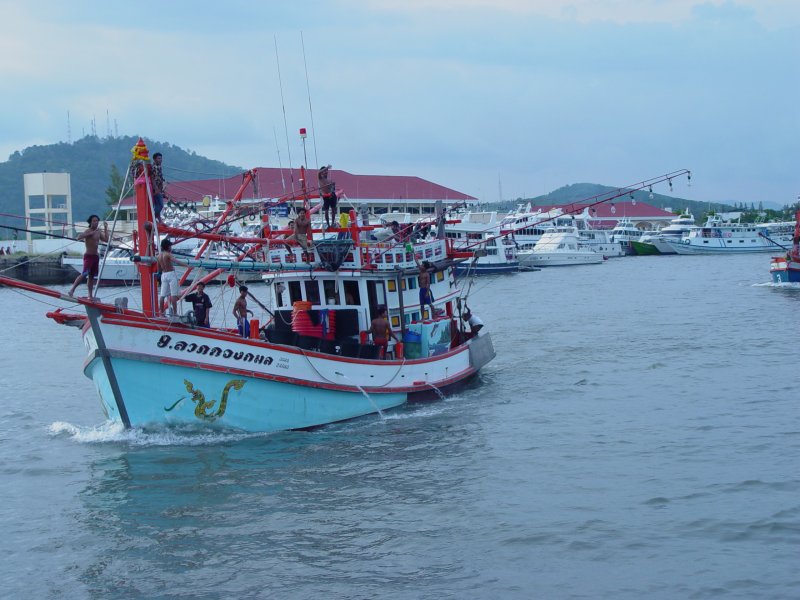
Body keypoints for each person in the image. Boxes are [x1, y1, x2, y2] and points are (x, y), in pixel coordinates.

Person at [68, 214, 109, 299]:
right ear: (90, 222)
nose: (96, 222)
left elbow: (106, 240)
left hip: (96, 257)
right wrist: (90, 234)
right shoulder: (88, 231)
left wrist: (105, 228)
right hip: (88, 256)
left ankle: (90, 295)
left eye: (97, 221)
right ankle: (72, 290)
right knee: (84, 273)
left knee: (91, 276)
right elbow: (78, 237)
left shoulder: (98, 232)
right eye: (94, 221)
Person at [157, 238, 187, 317]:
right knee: (174, 294)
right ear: (168, 246)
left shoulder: (159, 256)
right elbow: (176, 261)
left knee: (162, 295)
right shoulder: (168, 254)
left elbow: (159, 268)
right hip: (171, 273)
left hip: (164, 275)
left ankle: (161, 313)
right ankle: (175, 313)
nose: (171, 247)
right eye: (170, 246)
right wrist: (187, 266)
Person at [413, 253, 436, 318]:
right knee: (422, 305)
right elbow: (417, 262)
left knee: (430, 304)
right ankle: (423, 317)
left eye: (422, 265)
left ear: (425, 267)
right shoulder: (421, 270)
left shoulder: (426, 274)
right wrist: (414, 255)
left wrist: (427, 292)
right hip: (421, 289)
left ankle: (434, 314)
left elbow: (428, 284)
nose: (421, 266)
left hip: (425, 289)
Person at [151, 152, 167, 223]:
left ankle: (158, 218)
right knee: (160, 205)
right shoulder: (153, 167)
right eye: (158, 158)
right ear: (154, 159)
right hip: (155, 189)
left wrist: (163, 187)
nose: (160, 160)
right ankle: (153, 216)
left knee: (158, 204)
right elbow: (152, 178)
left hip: (160, 189)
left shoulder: (159, 167)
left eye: (161, 158)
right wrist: (156, 189)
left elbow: (161, 178)